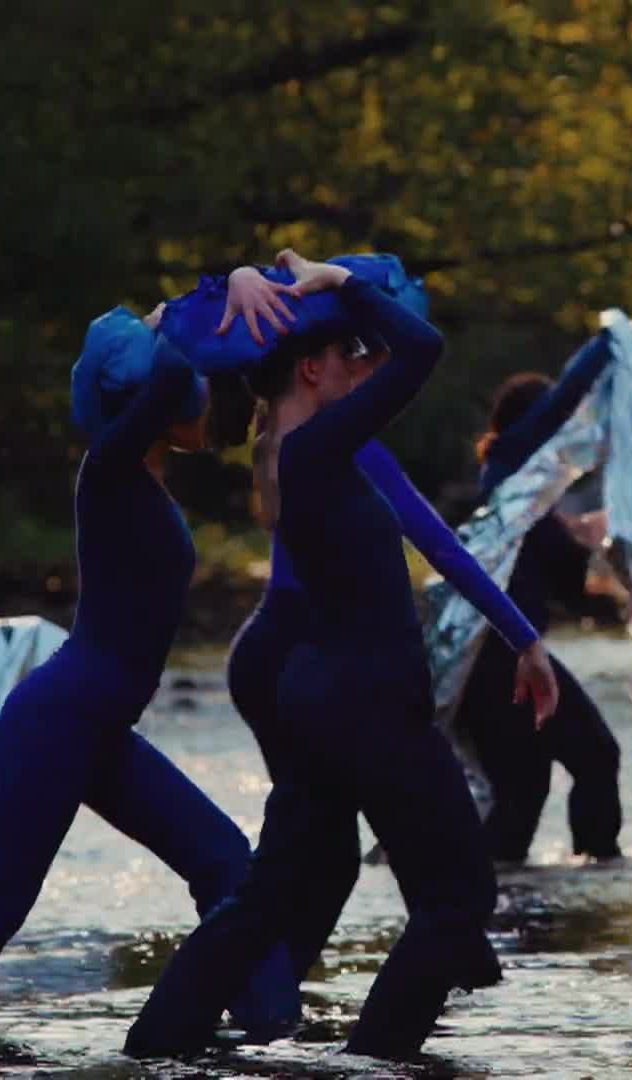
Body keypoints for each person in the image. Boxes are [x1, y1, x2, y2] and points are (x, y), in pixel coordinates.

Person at [125, 251, 553, 1061]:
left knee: (273, 895)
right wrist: (336, 281)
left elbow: (170, 327)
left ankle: (156, 1047)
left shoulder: (310, 452)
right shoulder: (320, 448)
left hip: (323, 699)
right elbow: (421, 348)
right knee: (459, 896)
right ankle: (375, 1061)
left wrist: (246, 277)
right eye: (351, 352)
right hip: (369, 702)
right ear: (312, 369)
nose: (367, 364)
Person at [0, 305, 298, 1035]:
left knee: (225, 860)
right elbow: (170, 371)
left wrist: (166, 321)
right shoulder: (110, 468)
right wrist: (196, 309)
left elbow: (168, 373)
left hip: (96, 729)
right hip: (60, 721)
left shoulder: (139, 476)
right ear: (153, 402)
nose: (204, 398)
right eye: (191, 389)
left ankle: (274, 1030)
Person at [457, 331, 626, 863]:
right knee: (589, 758)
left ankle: (505, 895)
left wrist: (590, 545)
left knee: (523, 794)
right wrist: (612, 338)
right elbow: (566, 397)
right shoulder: (508, 466)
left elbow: (564, 587)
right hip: (497, 659)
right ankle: (599, 875)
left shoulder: (524, 496)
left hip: (501, 657)